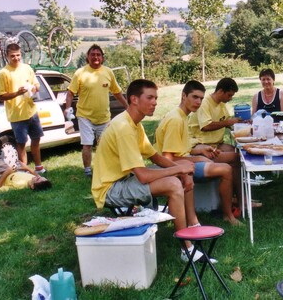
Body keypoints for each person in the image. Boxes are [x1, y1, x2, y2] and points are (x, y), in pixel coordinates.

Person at [91, 79, 207, 262]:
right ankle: (187, 248)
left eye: (156, 98)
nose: (155, 102)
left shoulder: (135, 123)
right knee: (173, 184)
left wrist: (182, 170)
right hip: (110, 189)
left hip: (124, 179)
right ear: (134, 99)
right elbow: (143, 176)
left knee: (178, 177)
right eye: (150, 97)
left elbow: (154, 156)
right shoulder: (124, 128)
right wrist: (178, 171)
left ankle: (191, 225)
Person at [155, 80, 241, 225]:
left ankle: (231, 205)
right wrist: (195, 160)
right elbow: (168, 158)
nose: (198, 102)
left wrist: (199, 151)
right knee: (226, 168)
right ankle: (228, 215)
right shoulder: (175, 119)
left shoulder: (182, 115)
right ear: (183, 96)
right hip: (174, 166)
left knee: (225, 160)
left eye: (201, 98)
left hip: (185, 159)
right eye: (195, 97)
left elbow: (180, 149)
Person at [65, 44, 128, 177]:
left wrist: (128, 106)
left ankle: (103, 168)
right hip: (85, 116)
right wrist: (67, 108)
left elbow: (117, 92)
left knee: (104, 145)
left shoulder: (108, 72)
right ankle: (88, 170)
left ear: (102, 58)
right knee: (87, 144)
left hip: (104, 117)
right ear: (88, 57)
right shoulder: (80, 73)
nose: (95, 57)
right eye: (92, 55)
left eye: (98, 55)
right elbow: (70, 92)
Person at [189, 78, 251, 209]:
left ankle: (239, 197)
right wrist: (229, 123)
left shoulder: (221, 104)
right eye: (229, 95)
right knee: (236, 158)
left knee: (240, 152)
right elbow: (205, 126)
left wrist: (241, 124)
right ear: (221, 91)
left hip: (217, 143)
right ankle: (240, 200)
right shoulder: (205, 103)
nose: (230, 98)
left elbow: (228, 120)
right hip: (200, 145)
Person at [0, 43, 46, 174]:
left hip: (31, 111)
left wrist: (35, 88)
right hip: (16, 115)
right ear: (7, 56)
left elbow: (36, 84)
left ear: (21, 54)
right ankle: (24, 171)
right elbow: (1, 96)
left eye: (18, 55)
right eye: (12, 56)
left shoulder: (27, 68)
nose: (16, 58)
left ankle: (39, 167)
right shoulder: (4, 73)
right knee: (21, 144)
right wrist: (17, 93)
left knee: (36, 139)